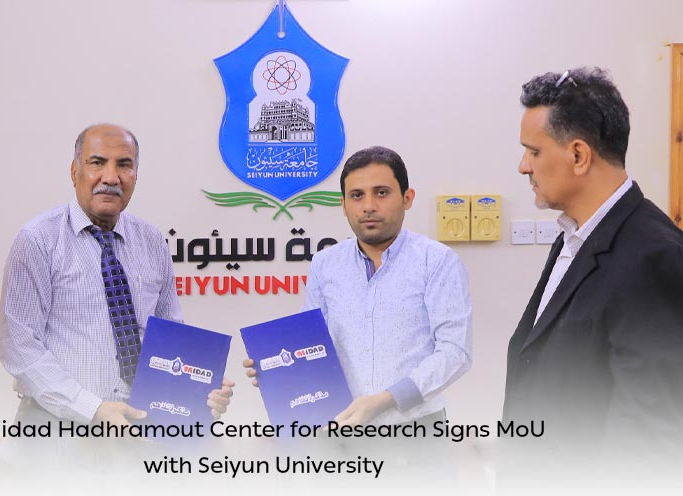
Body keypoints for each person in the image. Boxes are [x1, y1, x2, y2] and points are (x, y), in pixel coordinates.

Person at [0, 123, 233, 427]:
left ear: (136, 174)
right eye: (97, 163)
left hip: (139, 425)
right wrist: (92, 409)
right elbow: (19, 346)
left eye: (124, 165)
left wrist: (199, 388)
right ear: (74, 171)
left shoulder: (151, 241)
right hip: (56, 428)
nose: (111, 178)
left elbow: (171, 337)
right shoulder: (38, 239)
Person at [505, 67, 683, 460]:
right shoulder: (574, 236)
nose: (523, 166)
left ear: (578, 155)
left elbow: (650, 438)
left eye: (533, 151)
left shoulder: (654, 256)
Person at [244, 146, 473, 427]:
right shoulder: (325, 263)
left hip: (417, 429)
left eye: (381, 192)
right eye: (356, 195)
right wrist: (278, 368)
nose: (368, 206)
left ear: (407, 198)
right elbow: (312, 344)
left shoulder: (437, 261)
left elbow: (455, 352)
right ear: (343, 205)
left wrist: (387, 399)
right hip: (338, 428)